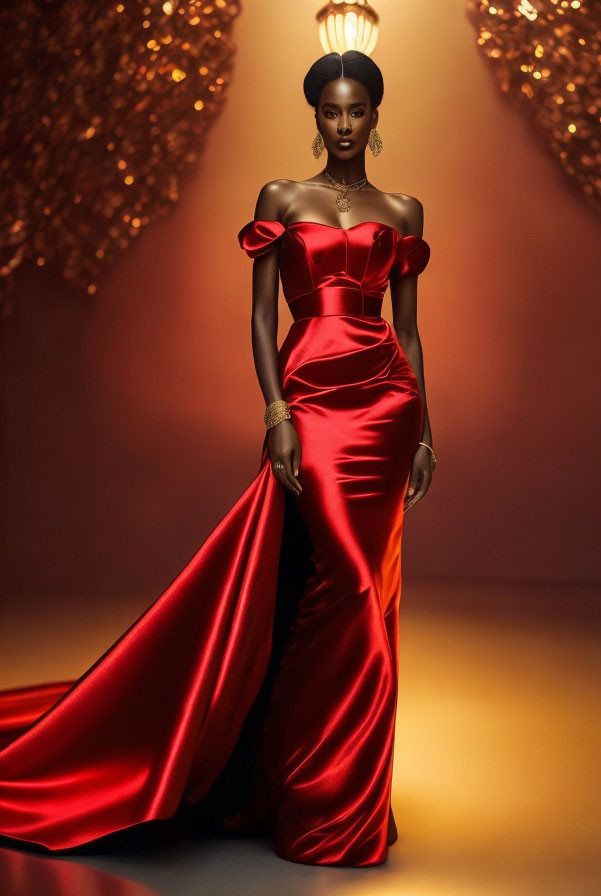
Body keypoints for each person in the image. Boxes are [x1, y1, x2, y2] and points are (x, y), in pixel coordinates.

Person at [0, 50, 436, 868]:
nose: (343, 125)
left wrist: (424, 432)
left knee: (360, 592)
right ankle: (305, 787)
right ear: (316, 116)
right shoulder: (281, 197)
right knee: (339, 581)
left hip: (385, 402)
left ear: (375, 117)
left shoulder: (402, 210)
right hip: (309, 397)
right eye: (330, 112)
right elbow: (260, 320)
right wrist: (276, 411)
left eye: (357, 112)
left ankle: (331, 797)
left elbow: (408, 331)